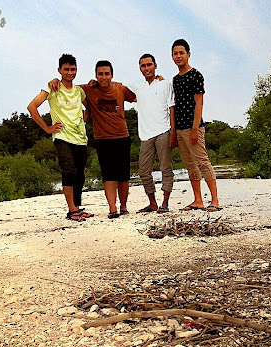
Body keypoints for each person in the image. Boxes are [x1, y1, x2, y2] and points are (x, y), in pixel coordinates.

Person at [50, 61, 136, 219]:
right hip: (102, 139)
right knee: (108, 175)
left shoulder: (120, 88)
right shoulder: (88, 89)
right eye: (101, 74)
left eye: (107, 74)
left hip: (122, 136)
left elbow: (140, 97)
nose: (104, 77)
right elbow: (68, 85)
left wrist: (154, 82)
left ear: (112, 75)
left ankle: (124, 206)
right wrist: (55, 80)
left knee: (124, 175)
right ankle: (112, 208)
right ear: (96, 75)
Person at [27, 54, 92, 221]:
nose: (70, 72)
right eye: (66, 69)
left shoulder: (79, 91)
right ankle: (71, 210)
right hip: (62, 136)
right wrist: (47, 128)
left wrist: (83, 121)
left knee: (79, 174)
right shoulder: (52, 88)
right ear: (59, 70)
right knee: (68, 170)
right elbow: (32, 107)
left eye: (73, 69)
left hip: (80, 137)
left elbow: (88, 108)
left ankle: (77, 206)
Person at [171, 38, 221, 212]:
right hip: (180, 128)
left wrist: (194, 128)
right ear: (172, 56)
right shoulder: (175, 80)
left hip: (194, 127)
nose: (178, 56)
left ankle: (214, 200)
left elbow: (199, 103)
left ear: (188, 55)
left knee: (202, 162)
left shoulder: (196, 75)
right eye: (175, 53)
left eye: (181, 53)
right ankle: (198, 200)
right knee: (190, 165)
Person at [127, 53, 175, 213]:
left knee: (165, 168)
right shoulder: (137, 85)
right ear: (140, 68)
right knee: (143, 171)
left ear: (155, 65)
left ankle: (165, 203)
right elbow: (117, 87)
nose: (147, 68)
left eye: (149, 64)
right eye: (143, 65)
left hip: (163, 131)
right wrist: (93, 83)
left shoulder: (165, 84)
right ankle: (152, 202)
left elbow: (171, 108)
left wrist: (173, 132)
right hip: (145, 135)